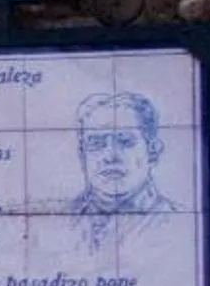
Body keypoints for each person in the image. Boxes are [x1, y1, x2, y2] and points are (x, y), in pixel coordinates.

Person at [67, 91, 171, 255]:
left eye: (125, 141)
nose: (110, 156)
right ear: (82, 155)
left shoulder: (177, 223)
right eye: (96, 143)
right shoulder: (60, 219)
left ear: (153, 151)